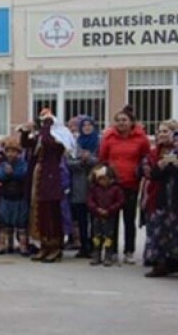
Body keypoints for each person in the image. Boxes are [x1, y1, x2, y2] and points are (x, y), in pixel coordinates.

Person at [98, 106, 151, 264]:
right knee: (112, 218)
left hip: (131, 184)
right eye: (118, 120)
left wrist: (139, 170)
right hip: (113, 184)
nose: (121, 123)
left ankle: (129, 251)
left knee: (129, 219)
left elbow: (146, 157)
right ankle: (112, 250)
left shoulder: (141, 138)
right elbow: (103, 158)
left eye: (124, 120)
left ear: (131, 122)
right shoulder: (109, 137)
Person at [20, 111, 71, 263]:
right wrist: (25, 132)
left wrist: (47, 126)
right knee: (40, 212)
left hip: (52, 179)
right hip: (39, 178)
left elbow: (49, 142)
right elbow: (26, 144)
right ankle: (44, 244)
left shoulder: (59, 136)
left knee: (52, 214)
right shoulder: (42, 136)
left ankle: (55, 246)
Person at [142, 120, 178, 277]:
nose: (163, 134)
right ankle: (161, 264)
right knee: (160, 231)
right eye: (160, 131)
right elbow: (153, 174)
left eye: (167, 131)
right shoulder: (159, 153)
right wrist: (163, 163)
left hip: (174, 198)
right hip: (162, 198)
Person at [0, 139, 30, 255]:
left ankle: (23, 246)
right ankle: (5, 245)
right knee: (4, 222)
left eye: (14, 152)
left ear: (18, 153)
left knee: (21, 222)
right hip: (6, 196)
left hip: (19, 196)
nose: (10, 154)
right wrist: (6, 174)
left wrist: (12, 173)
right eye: (8, 151)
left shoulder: (23, 163)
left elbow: (24, 174)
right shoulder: (3, 164)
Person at [69, 118, 99, 258]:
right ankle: (83, 246)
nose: (87, 127)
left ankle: (95, 246)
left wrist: (90, 159)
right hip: (79, 185)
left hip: (94, 184)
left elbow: (101, 160)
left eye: (89, 125)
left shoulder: (99, 142)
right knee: (81, 219)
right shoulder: (76, 143)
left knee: (94, 218)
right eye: (84, 125)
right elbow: (69, 161)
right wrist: (81, 161)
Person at [88, 166, 125, 266]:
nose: (102, 181)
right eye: (100, 179)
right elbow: (90, 201)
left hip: (109, 216)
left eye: (104, 179)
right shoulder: (94, 189)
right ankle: (96, 253)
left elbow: (120, 202)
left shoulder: (116, 188)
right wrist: (96, 209)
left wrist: (110, 210)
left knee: (109, 236)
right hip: (97, 215)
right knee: (96, 235)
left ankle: (108, 254)